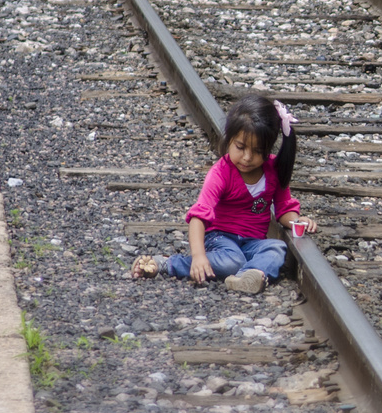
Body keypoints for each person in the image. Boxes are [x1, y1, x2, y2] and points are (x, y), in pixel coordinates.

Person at [130, 94, 317, 293]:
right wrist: (199, 255)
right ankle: (171, 264)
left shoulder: (274, 170)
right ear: (229, 139)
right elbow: (198, 218)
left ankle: (246, 277)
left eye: (257, 151)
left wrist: (297, 221)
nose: (247, 157)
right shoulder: (221, 173)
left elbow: (284, 209)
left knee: (277, 249)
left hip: (253, 242)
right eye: (240, 147)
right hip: (219, 238)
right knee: (231, 261)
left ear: (269, 148)